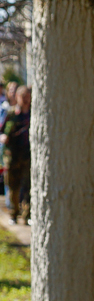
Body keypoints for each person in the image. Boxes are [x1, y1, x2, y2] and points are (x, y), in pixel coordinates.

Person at [1, 85, 31, 224]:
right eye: (22, 97)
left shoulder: (33, 114)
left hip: (28, 156)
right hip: (13, 156)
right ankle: (14, 214)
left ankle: (27, 215)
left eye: (27, 97)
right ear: (17, 97)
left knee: (28, 186)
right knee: (13, 186)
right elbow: (2, 131)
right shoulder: (11, 114)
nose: (25, 100)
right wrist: (3, 138)